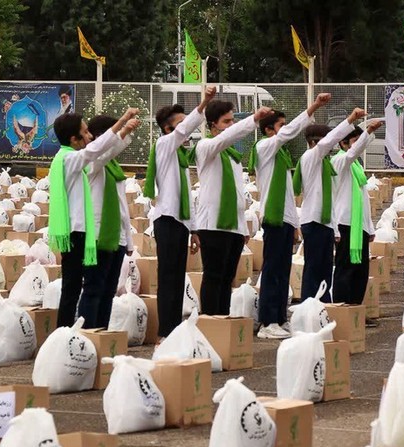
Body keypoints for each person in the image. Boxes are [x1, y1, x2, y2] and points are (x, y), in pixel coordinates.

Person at [48, 107, 140, 328]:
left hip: (83, 232)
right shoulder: (70, 159)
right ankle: (70, 334)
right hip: (76, 232)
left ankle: (89, 335)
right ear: (74, 139)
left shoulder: (73, 159)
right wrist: (123, 122)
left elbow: (103, 151)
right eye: (85, 132)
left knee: (88, 288)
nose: (89, 136)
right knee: (77, 288)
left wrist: (123, 130)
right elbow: (97, 151)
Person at [249, 93, 331, 339]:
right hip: (273, 219)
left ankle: (280, 318)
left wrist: (294, 224)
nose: (285, 130)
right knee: (272, 271)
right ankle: (267, 322)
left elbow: (287, 196)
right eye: (280, 125)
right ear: (268, 130)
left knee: (283, 271)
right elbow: (289, 133)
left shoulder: (282, 157)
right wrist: (313, 106)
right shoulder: (264, 148)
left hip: (285, 219)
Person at [143, 86, 216, 342]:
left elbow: (188, 196)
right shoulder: (164, 145)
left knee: (177, 277)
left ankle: (174, 330)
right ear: (167, 129)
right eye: (180, 124)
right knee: (167, 277)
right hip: (166, 220)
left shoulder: (181, 158)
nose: (186, 129)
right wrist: (204, 103)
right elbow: (184, 130)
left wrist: (194, 230)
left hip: (181, 223)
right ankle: (165, 332)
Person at [194, 101, 273, 316]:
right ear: (213, 124)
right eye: (226, 121)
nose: (231, 125)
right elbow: (226, 138)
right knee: (213, 275)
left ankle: (223, 320)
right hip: (213, 224)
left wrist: (243, 227)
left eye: (232, 120)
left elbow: (238, 194)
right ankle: (211, 320)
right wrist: (253, 119)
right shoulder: (205, 148)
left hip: (234, 226)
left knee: (228, 277)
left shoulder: (233, 157)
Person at [294, 107, 367, 305]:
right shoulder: (310, 157)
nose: (330, 146)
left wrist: (334, 229)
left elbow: (331, 200)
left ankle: (323, 307)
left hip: (325, 222)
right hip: (313, 221)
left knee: (326, 271)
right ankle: (310, 306)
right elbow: (330, 142)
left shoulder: (326, 165)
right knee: (314, 269)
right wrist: (350, 119)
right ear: (313, 142)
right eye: (324, 141)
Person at [78, 114, 140, 329]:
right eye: (113, 131)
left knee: (109, 290)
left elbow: (122, 207)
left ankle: (102, 334)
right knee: (94, 289)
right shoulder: (91, 162)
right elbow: (106, 150)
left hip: (117, 237)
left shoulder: (113, 166)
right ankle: (87, 334)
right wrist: (124, 129)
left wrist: (128, 241)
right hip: (98, 236)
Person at [331, 119, 383, 305]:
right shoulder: (339, 161)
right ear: (343, 143)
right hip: (345, 224)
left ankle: (355, 309)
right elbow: (352, 153)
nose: (359, 145)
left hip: (359, 225)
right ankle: (341, 307)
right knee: (345, 267)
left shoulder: (357, 167)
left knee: (361, 270)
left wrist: (370, 227)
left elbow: (363, 199)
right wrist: (368, 131)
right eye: (355, 141)